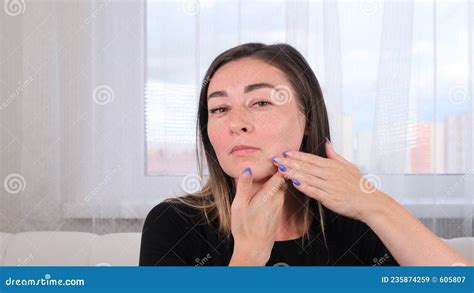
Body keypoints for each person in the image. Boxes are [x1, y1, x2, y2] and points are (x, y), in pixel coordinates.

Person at [139, 43, 471, 266]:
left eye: (262, 102)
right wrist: (249, 255)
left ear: (308, 121)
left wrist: (374, 204)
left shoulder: (357, 223)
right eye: (220, 108)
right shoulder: (174, 225)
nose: (236, 123)